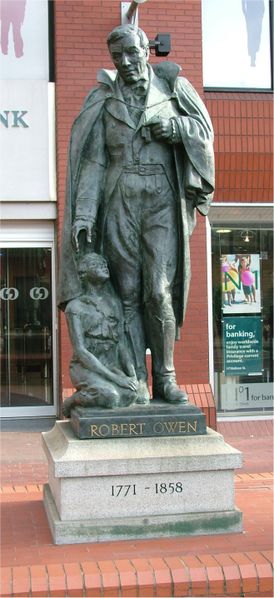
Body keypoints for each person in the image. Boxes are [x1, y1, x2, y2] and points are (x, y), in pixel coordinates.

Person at [58, 25, 215, 405]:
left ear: (147, 49)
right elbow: (93, 162)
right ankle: (135, 380)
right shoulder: (104, 100)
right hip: (118, 203)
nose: (126, 62)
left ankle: (165, 377)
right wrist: (84, 214)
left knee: (158, 291)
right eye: (117, 57)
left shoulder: (173, 88)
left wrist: (175, 128)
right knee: (125, 295)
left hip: (160, 200)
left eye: (131, 52)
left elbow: (203, 132)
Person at [62, 253, 138, 417]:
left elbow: (121, 343)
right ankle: (74, 400)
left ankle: (104, 388)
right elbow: (81, 351)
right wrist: (116, 379)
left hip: (110, 364)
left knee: (131, 395)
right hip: (85, 367)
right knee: (111, 397)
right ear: (83, 273)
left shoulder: (113, 302)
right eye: (96, 264)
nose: (104, 265)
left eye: (104, 262)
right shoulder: (75, 307)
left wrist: (131, 375)